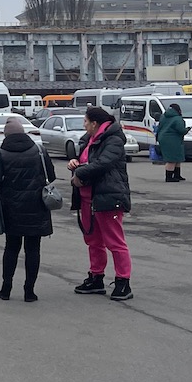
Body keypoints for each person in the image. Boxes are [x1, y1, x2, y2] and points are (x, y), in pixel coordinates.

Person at [0, 115, 56, 302]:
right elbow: (51, 175)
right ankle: (29, 291)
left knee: (11, 248)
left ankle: (6, 288)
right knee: (33, 249)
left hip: (11, 207)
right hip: (37, 207)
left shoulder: (2, 153)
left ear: (6, 135)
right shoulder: (39, 150)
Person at [68, 105, 134, 301]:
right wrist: (74, 162)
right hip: (89, 198)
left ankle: (123, 281)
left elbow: (103, 163)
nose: (84, 125)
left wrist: (79, 171)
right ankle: (96, 277)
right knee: (93, 241)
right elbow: (85, 160)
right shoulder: (89, 140)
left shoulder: (113, 140)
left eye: (86, 122)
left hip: (109, 197)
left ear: (95, 123)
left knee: (115, 241)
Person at [155, 102, 188, 183]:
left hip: (163, 138)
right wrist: (187, 130)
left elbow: (159, 127)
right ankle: (169, 177)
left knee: (177, 157)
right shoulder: (177, 118)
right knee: (172, 159)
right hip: (172, 140)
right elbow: (181, 130)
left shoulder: (163, 116)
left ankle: (177, 175)